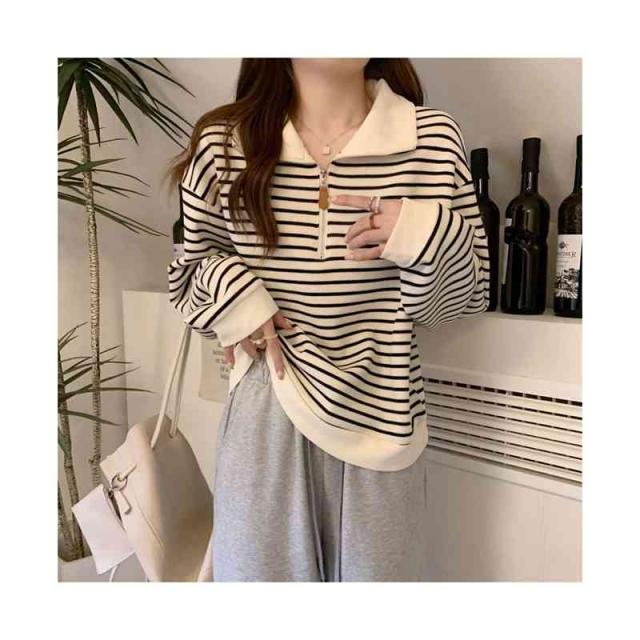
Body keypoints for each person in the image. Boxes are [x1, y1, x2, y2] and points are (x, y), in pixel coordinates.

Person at [167, 58, 490, 581]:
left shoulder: (431, 139)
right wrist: (237, 293)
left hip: (384, 423)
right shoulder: (223, 144)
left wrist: (422, 233)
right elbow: (187, 277)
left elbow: (464, 299)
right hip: (266, 416)